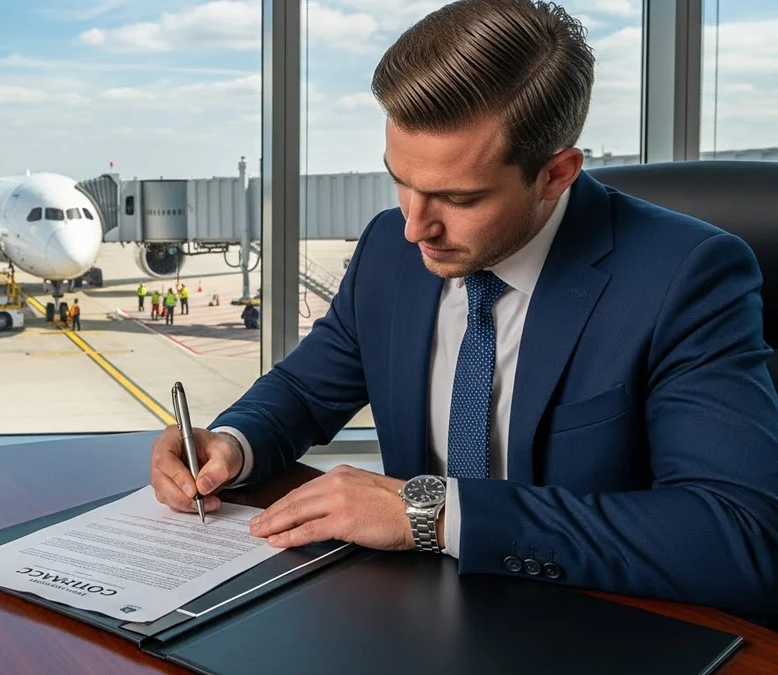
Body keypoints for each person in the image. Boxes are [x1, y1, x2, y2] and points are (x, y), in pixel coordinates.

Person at [149, 0, 778, 626]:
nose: (414, 227)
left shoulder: (686, 277)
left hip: (588, 625)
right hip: (416, 621)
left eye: (458, 197)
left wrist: (433, 512)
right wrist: (231, 443)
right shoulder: (387, 251)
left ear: (557, 173)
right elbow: (305, 389)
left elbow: (737, 536)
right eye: (401, 180)